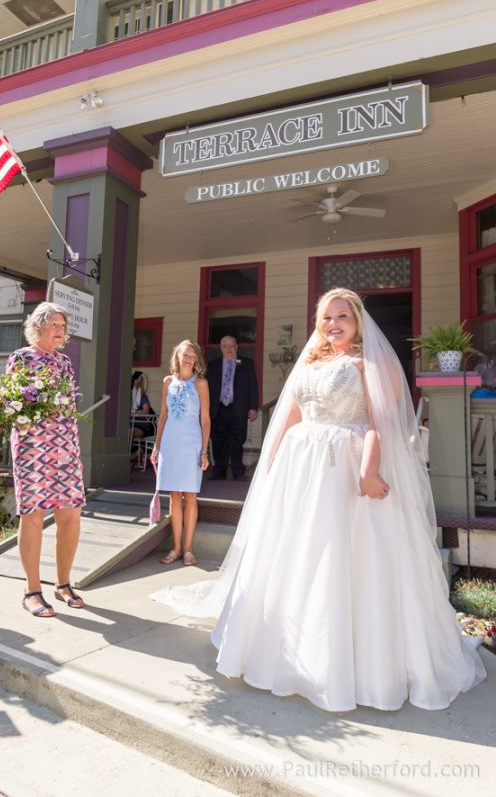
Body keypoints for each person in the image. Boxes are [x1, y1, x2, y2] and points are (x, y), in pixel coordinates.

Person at [153, 289, 486, 711]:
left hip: (342, 470)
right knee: (295, 553)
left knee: (338, 555)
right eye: (327, 317)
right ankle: (282, 646)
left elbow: (378, 423)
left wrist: (368, 471)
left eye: (342, 316)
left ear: (358, 321)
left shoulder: (368, 362)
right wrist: (272, 457)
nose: (333, 324)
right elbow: (293, 411)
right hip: (298, 470)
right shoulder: (310, 360)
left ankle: (343, 661)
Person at [7, 302, 86, 617]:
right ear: (37, 326)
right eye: (54, 324)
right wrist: (23, 419)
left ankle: (63, 583)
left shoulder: (65, 362)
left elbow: (67, 404)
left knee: (70, 514)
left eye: (63, 326)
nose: (59, 330)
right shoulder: (21, 358)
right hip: (32, 446)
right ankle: (32, 590)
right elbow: (13, 401)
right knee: (34, 515)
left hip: (65, 445)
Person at [151, 340, 210, 567]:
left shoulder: (201, 384)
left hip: (191, 442)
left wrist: (204, 451)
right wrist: (157, 446)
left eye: (192, 356)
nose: (187, 359)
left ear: (196, 360)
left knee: (191, 495)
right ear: (176, 356)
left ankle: (188, 549)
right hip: (170, 442)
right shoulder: (168, 382)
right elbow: (163, 416)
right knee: (174, 495)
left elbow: (205, 420)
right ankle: (175, 548)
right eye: (184, 355)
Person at [206, 336, 259, 481]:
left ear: (237, 347)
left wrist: (253, 407)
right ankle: (219, 471)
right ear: (221, 348)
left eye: (232, 346)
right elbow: (207, 389)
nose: (229, 349)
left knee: (237, 440)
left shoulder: (246, 363)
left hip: (239, 408)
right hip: (218, 409)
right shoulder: (213, 365)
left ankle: (238, 471)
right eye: (225, 346)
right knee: (218, 441)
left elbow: (253, 386)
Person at [129, 371, 156, 448]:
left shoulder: (143, 398)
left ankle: (128, 454)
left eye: (135, 379)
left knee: (130, 433)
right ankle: (136, 452)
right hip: (131, 424)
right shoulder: (130, 396)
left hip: (142, 427)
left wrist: (134, 411)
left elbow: (146, 411)